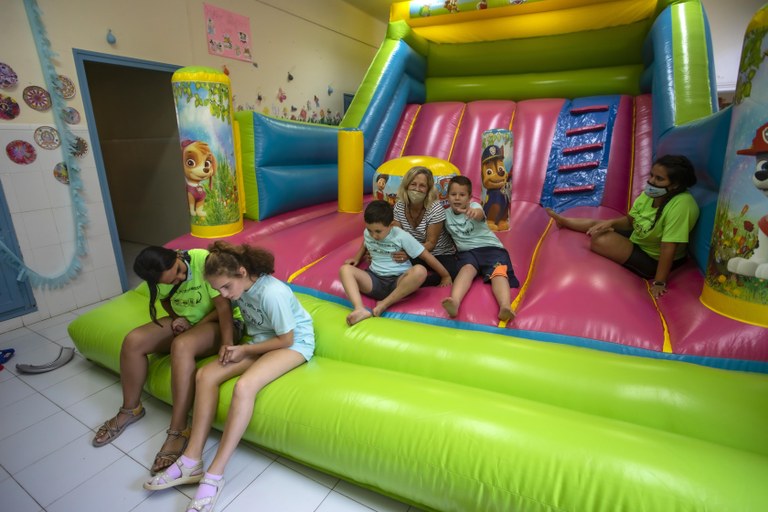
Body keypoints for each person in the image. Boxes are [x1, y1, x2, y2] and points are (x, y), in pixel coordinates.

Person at [144, 242, 314, 512]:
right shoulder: (239, 288)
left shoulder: (273, 293)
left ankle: (215, 474)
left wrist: (243, 350)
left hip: (293, 344)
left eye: (226, 287)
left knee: (244, 386)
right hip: (260, 341)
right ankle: (191, 460)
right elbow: (231, 314)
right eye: (218, 289)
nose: (224, 295)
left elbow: (286, 339)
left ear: (242, 272)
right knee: (205, 375)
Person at [92, 246, 239, 475]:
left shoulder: (201, 260)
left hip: (218, 323)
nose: (179, 278)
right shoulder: (158, 280)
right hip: (190, 323)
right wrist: (177, 318)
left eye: (179, 271)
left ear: (178, 256)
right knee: (133, 341)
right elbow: (166, 300)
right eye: (172, 281)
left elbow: (224, 308)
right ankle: (130, 409)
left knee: (181, 345)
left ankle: (178, 429)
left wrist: (227, 345)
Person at [546, 154, 699, 299]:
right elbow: (630, 221)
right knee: (601, 225)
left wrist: (659, 282)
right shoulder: (651, 194)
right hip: (640, 237)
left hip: (654, 259)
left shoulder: (682, 205)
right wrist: (611, 223)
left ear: (675, 185)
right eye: (651, 175)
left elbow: (668, 247)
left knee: (600, 239)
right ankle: (564, 221)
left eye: (659, 179)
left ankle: (606, 238)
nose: (651, 181)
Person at [340, 199, 451, 325]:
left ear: (391, 225)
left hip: (399, 283)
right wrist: (356, 257)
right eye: (370, 230)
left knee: (420, 271)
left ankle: (384, 304)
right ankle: (359, 309)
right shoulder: (368, 233)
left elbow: (425, 256)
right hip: (374, 280)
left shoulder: (401, 236)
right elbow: (366, 242)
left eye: (378, 231)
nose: (374, 235)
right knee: (345, 270)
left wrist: (445, 275)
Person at [441, 175, 519, 322]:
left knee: (498, 272)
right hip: (467, 252)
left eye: (462, 195)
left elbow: (479, 214)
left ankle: (505, 306)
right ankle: (455, 302)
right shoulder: (445, 215)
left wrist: (473, 212)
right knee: (466, 270)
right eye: (453, 194)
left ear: (469, 198)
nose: (457, 198)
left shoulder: (475, 207)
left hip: (490, 248)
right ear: (447, 197)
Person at [392, 166, 460, 286]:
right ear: (406, 185)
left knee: (453, 272)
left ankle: (411, 283)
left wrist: (408, 254)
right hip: (413, 252)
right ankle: (406, 281)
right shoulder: (399, 206)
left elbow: (431, 244)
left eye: (422, 185)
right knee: (389, 263)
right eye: (413, 184)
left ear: (428, 189)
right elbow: (397, 235)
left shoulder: (435, 208)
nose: (417, 189)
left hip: (439, 254)